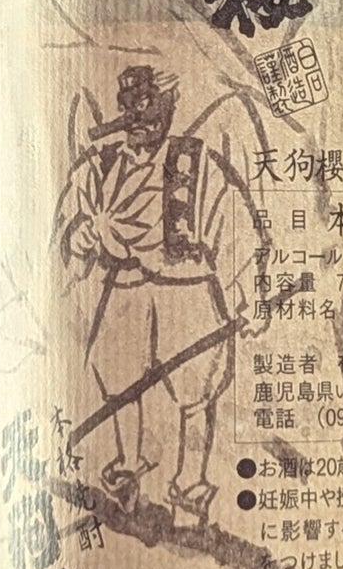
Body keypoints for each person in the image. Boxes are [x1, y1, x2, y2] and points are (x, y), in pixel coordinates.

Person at [55, 64, 264, 526]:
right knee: (116, 375)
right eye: (132, 106)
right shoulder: (100, 164)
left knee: (196, 387)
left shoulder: (194, 162)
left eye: (152, 106)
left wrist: (249, 291)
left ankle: (190, 487)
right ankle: (130, 467)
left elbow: (234, 222)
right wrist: (79, 237)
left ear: (169, 108)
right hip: (125, 282)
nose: (141, 117)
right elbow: (70, 223)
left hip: (186, 283)